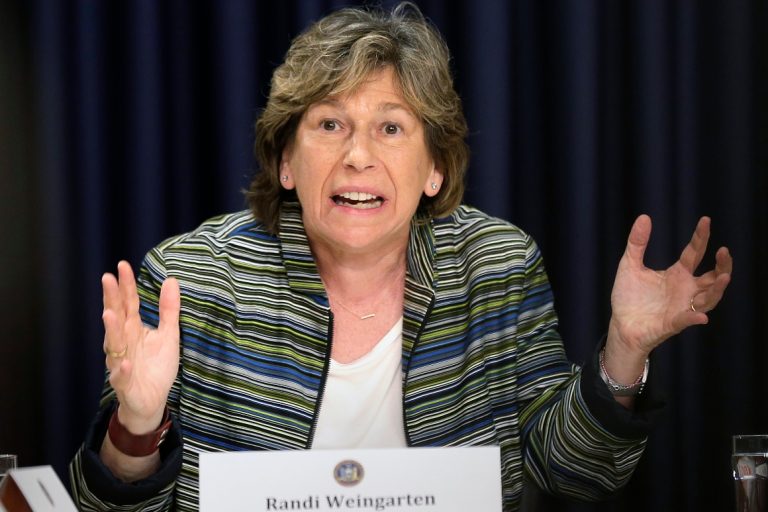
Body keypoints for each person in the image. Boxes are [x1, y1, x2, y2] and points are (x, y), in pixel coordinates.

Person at [68, 3, 733, 511]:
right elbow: (105, 507)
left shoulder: (497, 266)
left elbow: (572, 474)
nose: (358, 155)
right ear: (286, 161)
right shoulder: (192, 279)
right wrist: (138, 424)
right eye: (330, 125)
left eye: (390, 127)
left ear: (435, 168)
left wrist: (624, 351)